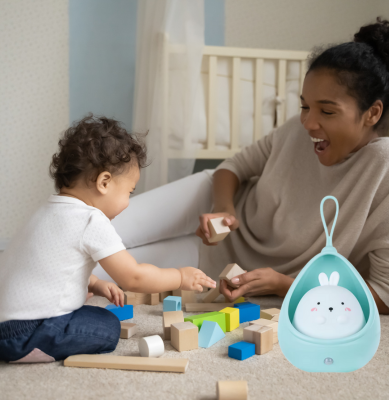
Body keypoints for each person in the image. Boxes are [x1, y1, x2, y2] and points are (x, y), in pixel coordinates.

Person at [109, 18, 389, 315]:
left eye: (327, 111)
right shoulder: (299, 128)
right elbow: (234, 166)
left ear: (372, 113)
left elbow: (383, 296)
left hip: (217, 260)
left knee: (105, 270)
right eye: (305, 106)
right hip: (213, 206)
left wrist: (283, 284)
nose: (308, 123)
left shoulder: (381, 168)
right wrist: (224, 208)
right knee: (98, 228)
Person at [0, 115, 216, 363]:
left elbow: (48, 268)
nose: (128, 202)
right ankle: (34, 351)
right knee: (107, 326)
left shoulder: (47, 210)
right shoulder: (90, 219)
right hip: (23, 335)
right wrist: (180, 276)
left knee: (90, 313)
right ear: (104, 182)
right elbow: (134, 277)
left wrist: (94, 283)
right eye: (129, 192)